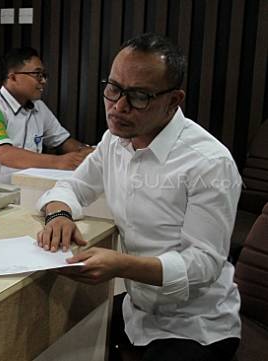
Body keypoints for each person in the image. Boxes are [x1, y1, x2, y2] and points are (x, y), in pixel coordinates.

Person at [36, 33, 241, 361]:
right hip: (137, 308)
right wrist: (58, 213)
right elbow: (72, 187)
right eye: (113, 89)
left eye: (139, 97)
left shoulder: (209, 162)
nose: (118, 107)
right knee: (55, 334)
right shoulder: (114, 142)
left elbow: (203, 264)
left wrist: (121, 265)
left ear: (174, 100)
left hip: (196, 326)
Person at [0, 47, 92, 194]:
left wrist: (88, 153)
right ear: (13, 77)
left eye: (44, 75)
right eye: (37, 74)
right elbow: (3, 154)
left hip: (16, 196)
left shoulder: (39, 107)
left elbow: (63, 141)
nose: (43, 81)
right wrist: (60, 162)